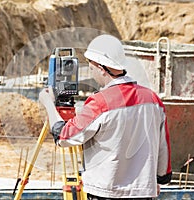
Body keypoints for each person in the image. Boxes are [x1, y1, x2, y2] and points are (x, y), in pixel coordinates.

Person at [39, 34, 172, 200]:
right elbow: (163, 147)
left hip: (107, 191)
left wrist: (49, 104)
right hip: (144, 192)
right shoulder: (153, 99)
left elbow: (64, 136)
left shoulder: (100, 102)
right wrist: (159, 179)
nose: (92, 72)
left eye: (92, 68)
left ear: (101, 68)